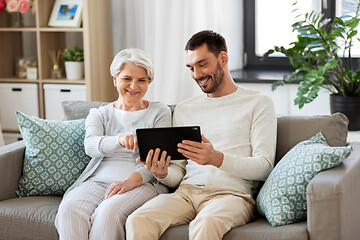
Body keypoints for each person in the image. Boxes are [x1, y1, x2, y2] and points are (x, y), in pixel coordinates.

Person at [126, 30, 277, 240]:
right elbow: (178, 172)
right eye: (191, 68)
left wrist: (217, 159)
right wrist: (161, 173)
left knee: (205, 225)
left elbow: (264, 166)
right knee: (138, 220)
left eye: (202, 64)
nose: (196, 74)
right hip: (186, 193)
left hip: (231, 196)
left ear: (222, 58)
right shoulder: (185, 109)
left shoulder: (258, 103)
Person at [55, 48, 171, 240]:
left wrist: (129, 181)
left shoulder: (160, 112)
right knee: (69, 208)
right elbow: (90, 146)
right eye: (127, 78)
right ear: (115, 79)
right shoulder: (99, 113)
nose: (134, 86)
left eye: (142, 80)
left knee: (108, 212)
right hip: (97, 179)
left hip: (141, 181)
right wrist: (119, 140)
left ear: (148, 82)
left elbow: (159, 159)